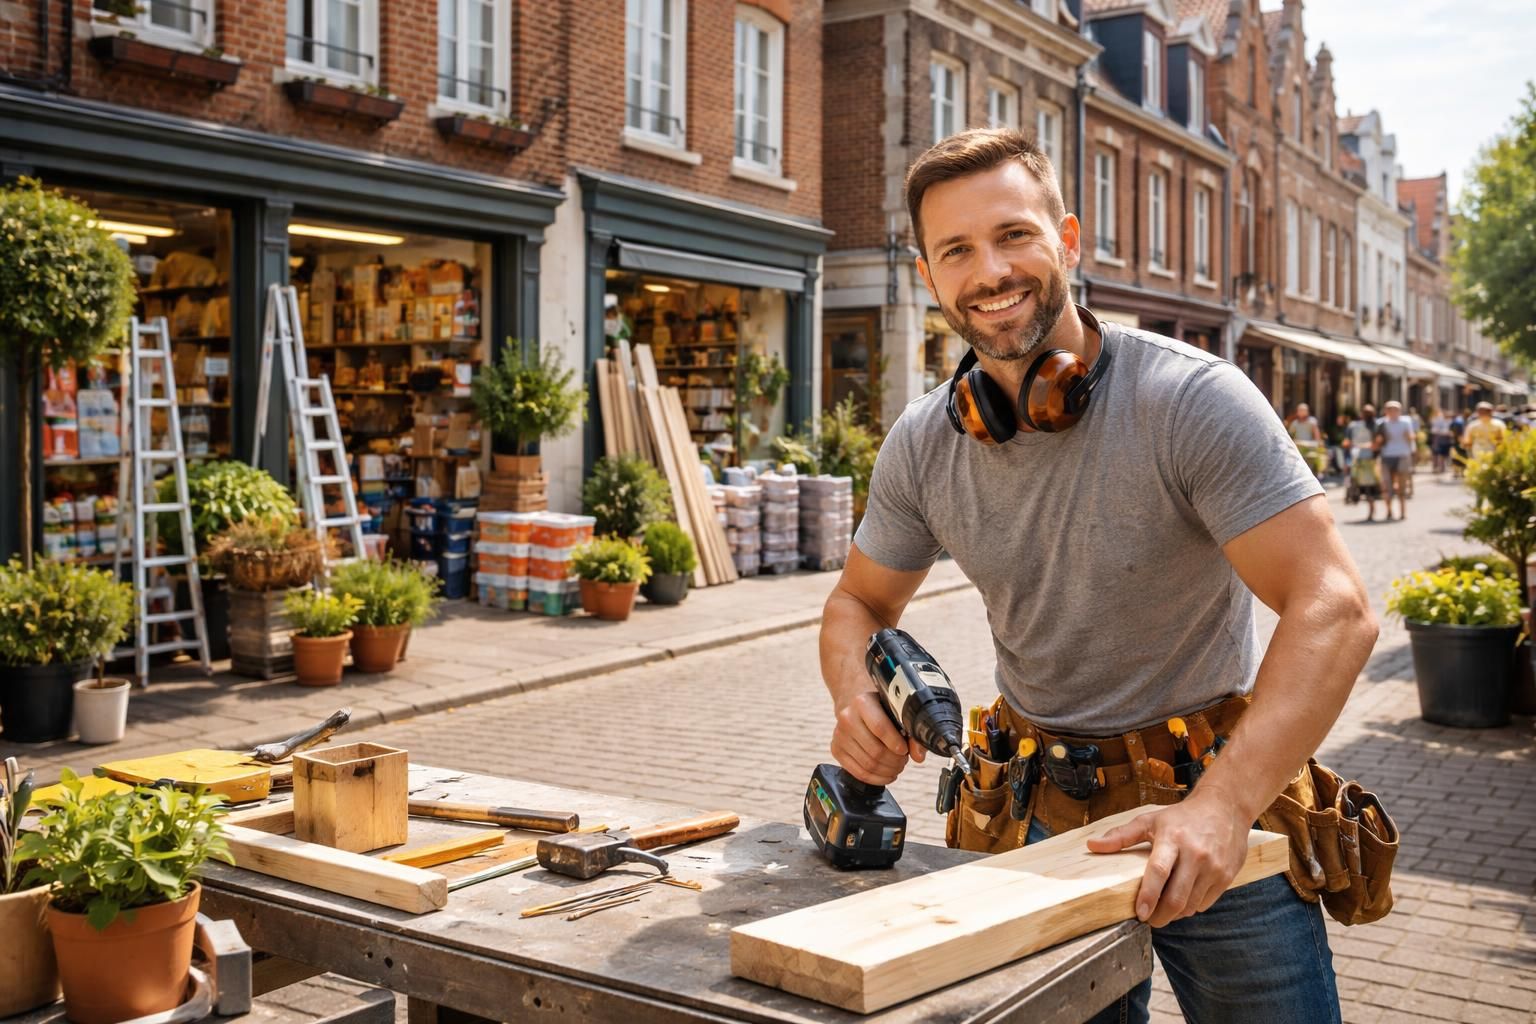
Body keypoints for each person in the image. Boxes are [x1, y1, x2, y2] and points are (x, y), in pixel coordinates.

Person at [820, 128, 1377, 1024]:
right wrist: (855, 694)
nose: (990, 270)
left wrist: (1225, 806)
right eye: (956, 250)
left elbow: (1336, 607)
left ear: (1069, 241)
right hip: (1035, 816)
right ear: (929, 278)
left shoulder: (1191, 399)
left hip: (1214, 807)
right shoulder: (924, 443)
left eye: (1014, 235)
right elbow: (857, 602)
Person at [1375, 401, 1416, 521]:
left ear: (1400, 411)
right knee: (1387, 486)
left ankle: (1403, 512)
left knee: (1402, 486)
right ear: (1386, 411)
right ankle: (1389, 511)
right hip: (1387, 455)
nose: (1393, 412)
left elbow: (1411, 437)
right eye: (1390, 410)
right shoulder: (1381, 423)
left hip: (1402, 455)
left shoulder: (1405, 422)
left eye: (1396, 410)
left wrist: (1412, 450)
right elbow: (1377, 440)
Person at [1344, 405, 1382, 521]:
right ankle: (1351, 497)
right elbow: (1347, 442)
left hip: (1370, 461)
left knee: (1370, 488)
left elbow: (1377, 444)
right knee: (1353, 482)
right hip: (1356, 459)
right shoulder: (1353, 426)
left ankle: (1371, 511)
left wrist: (1365, 446)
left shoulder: (1376, 426)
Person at [1428, 407, 1453, 474]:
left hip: (1444, 439)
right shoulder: (1435, 419)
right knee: (1435, 453)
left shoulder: (1447, 421)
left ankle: (1441, 467)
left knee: (1442, 454)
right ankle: (1435, 467)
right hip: (1437, 438)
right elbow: (1433, 429)